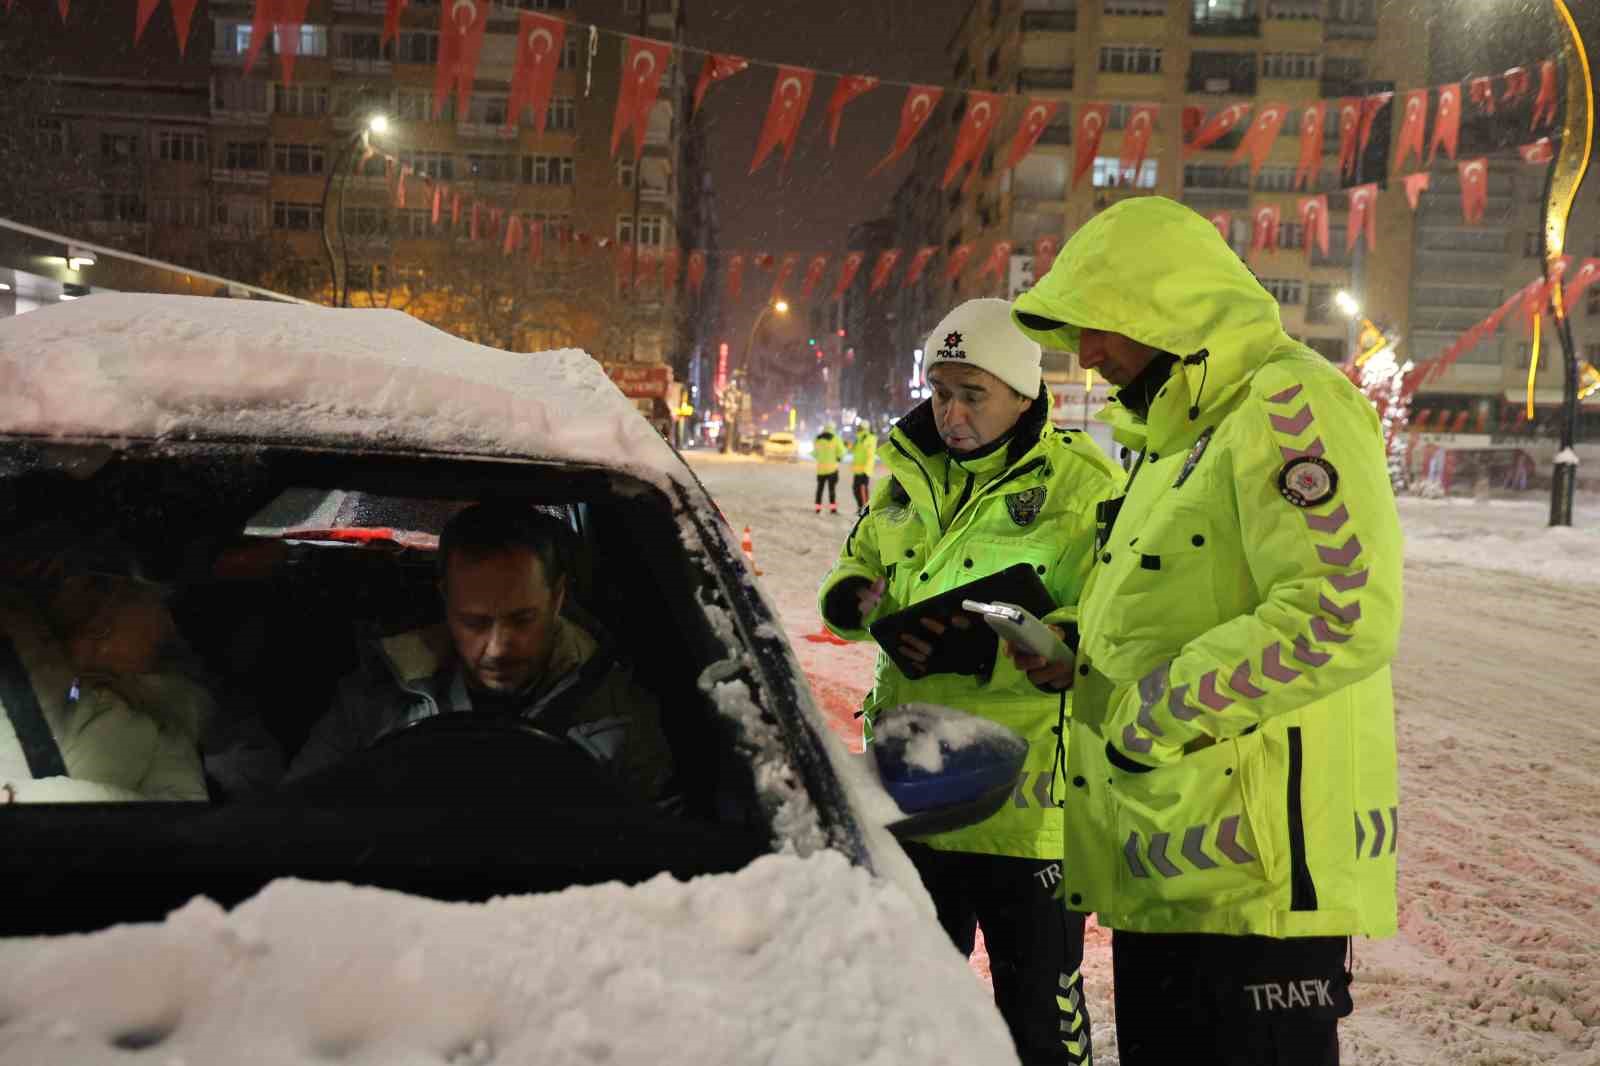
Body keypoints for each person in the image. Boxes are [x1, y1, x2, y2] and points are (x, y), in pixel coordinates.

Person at [1010, 196, 1403, 1065]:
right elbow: (1171, 605)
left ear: (1170, 306)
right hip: (1171, 869)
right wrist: (1076, 654)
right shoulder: (1173, 435)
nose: (1088, 353)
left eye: (1102, 324)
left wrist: (1149, 721)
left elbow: (1339, 611)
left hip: (1257, 884)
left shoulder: (1289, 406)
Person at [817, 298, 1123, 1066]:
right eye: (939, 391)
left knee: (1037, 1013)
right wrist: (856, 600)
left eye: (971, 393)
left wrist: (1055, 639)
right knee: (914, 1013)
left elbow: (1119, 616)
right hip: (913, 787)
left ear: (1024, 391)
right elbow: (859, 567)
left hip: (1024, 806)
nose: (949, 412)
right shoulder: (904, 475)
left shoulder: (1084, 484)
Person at [287, 503, 675, 805]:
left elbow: (667, 860)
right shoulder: (374, 699)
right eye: (474, 622)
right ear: (445, 600)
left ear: (557, 598)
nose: (498, 648)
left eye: (521, 620)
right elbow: (293, 817)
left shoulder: (621, 708)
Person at [1, 559, 211, 802]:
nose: (91, 642)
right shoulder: (46, 670)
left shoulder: (167, 722)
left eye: (103, 628)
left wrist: (23, 797)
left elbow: (181, 809)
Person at [812, 423, 844, 515]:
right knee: (832, 489)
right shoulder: (835, 438)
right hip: (832, 469)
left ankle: (818, 508)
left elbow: (815, 453)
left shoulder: (817, 439)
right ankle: (833, 509)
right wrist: (838, 457)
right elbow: (841, 451)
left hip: (820, 469)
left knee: (820, 489)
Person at [848, 419, 878, 510]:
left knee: (862, 491)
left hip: (864, 469)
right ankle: (861, 508)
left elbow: (870, 455)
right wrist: (849, 446)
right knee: (855, 489)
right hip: (857, 469)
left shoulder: (870, 438)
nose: (858, 429)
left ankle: (865, 511)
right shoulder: (859, 438)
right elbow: (855, 451)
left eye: (859, 427)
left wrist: (867, 469)